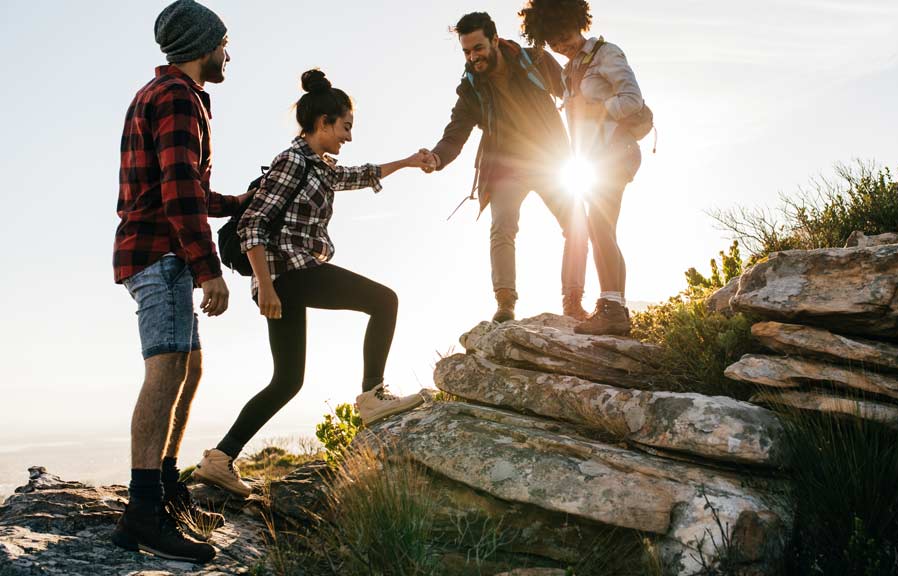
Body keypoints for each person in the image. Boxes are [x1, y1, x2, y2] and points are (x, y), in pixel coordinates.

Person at [192, 69, 431, 498]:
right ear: (323, 123)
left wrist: (410, 161)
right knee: (384, 300)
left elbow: (358, 174)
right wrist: (265, 286)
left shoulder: (320, 167)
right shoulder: (292, 161)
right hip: (291, 274)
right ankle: (372, 396)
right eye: (346, 127)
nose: (349, 136)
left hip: (288, 278)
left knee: (287, 381)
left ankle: (220, 459)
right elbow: (252, 225)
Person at [111, 0, 237, 564]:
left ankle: (162, 486)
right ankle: (143, 513)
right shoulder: (178, 99)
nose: (228, 53)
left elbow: (182, 185)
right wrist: (209, 271)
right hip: (160, 256)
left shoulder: (160, 95)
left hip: (161, 251)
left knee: (189, 367)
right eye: (224, 43)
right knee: (164, 374)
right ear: (204, 46)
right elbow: (180, 192)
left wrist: (240, 201)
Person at [420, 11, 590, 323]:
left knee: (578, 222)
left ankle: (573, 300)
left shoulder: (534, 60)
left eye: (478, 48)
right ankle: (505, 304)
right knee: (502, 228)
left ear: (495, 40)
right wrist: (436, 157)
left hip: (550, 160)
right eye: (467, 52)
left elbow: (572, 93)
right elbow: (455, 134)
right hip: (506, 167)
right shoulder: (470, 88)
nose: (473, 57)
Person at [519, 0, 646, 335]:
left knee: (600, 226)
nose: (562, 45)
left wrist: (594, 108)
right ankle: (614, 307)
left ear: (577, 21)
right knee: (602, 229)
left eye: (564, 35)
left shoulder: (606, 53)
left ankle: (612, 309)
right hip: (591, 160)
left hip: (617, 151)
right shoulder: (567, 70)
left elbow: (633, 99)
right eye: (553, 42)